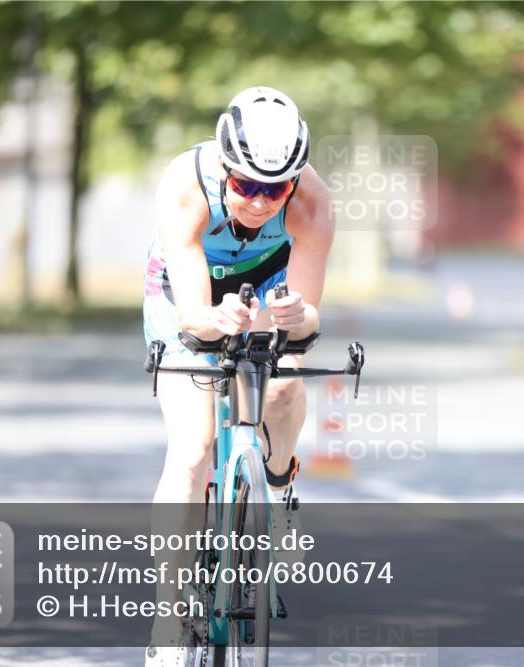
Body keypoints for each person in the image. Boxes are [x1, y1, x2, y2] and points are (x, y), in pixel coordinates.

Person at [143, 86, 334, 666]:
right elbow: (193, 321)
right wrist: (212, 320)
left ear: (294, 182)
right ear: (225, 167)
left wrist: (296, 316)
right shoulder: (185, 184)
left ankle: (276, 486)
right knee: (195, 444)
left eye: (274, 189)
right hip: (186, 291)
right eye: (246, 185)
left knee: (283, 381)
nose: (258, 202)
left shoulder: (314, 203)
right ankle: (169, 620)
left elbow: (309, 320)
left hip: (270, 283)